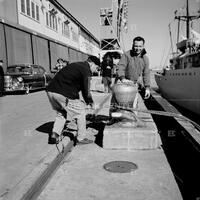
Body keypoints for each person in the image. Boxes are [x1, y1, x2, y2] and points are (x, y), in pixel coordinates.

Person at [46, 55, 100, 145]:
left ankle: (54, 136)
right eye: (97, 68)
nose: (96, 70)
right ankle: (81, 138)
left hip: (51, 92)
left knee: (62, 112)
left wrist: (88, 101)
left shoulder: (77, 65)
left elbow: (82, 89)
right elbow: (86, 90)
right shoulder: (86, 70)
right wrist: (91, 102)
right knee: (80, 112)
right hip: (62, 93)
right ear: (92, 63)